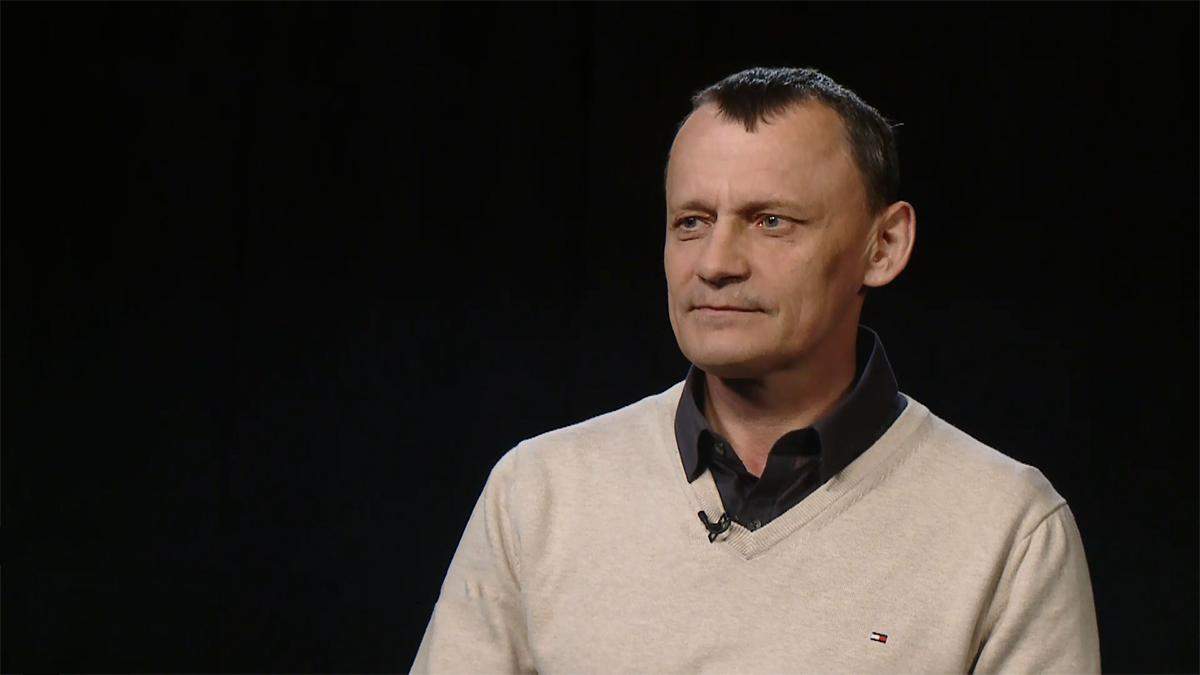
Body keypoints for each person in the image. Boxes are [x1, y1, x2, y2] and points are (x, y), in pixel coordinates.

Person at [411, 66, 1101, 673]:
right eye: (691, 221)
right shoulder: (538, 494)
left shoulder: (1006, 528)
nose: (715, 263)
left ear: (884, 245)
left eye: (770, 221)